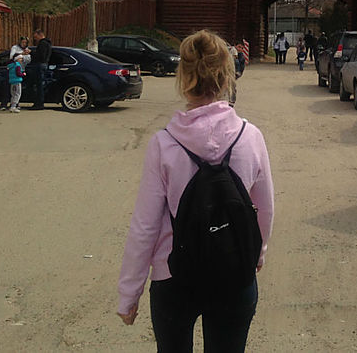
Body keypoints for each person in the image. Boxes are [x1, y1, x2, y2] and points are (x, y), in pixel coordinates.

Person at [116, 29, 274, 351]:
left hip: (175, 276)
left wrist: (129, 294)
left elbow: (144, 226)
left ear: (183, 77)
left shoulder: (164, 144)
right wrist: (257, 253)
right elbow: (264, 208)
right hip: (234, 270)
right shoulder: (250, 137)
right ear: (228, 74)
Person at [1, 36, 31, 110]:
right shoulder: (15, 47)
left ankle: (15, 104)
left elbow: (28, 59)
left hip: (21, 69)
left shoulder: (27, 50)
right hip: (13, 69)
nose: (24, 44)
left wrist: (23, 56)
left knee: (18, 90)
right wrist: (22, 54)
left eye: (25, 43)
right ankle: (4, 104)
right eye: (22, 42)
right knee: (10, 88)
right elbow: (12, 56)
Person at [29, 29, 52, 110]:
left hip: (39, 65)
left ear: (40, 35)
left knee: (38, 85)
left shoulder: (42, 44)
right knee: (40, 85)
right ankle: (39, 103)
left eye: (36, 37)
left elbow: (40, 56)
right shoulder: (48, 44)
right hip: (44, 64)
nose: (35, 39)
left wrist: (31, 52)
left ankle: (38, 103)